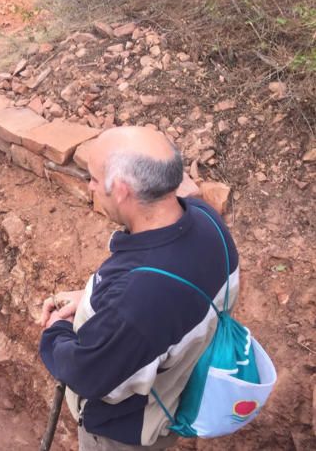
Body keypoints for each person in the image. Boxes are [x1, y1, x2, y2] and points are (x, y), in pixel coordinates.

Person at [38, 126, 240, 451]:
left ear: (121, 190)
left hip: (125, 433)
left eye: (93, 178)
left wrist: (57, 331)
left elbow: (88, 375)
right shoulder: (206, 221)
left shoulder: (137, 301)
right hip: (175, 395)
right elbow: (153, 308)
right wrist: (90, 300)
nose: (89, 185)